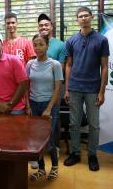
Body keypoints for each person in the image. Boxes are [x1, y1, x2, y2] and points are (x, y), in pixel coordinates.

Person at [64, 6, 110, 171]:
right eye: (80, 16)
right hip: (75, 88)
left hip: (93, 89)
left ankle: (92, 155)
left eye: (86, 15)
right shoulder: (71, 40)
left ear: (91, 17)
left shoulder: (101, 40)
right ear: (77, 20)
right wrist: (67, 89)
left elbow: (104, 67)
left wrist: (102, 91)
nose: (83, 18)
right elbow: (68, 65)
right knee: (74, 123)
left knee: (94, 125)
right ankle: (75, 153)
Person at [27, 34, 63, 181]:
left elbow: (58, 88)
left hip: (49, 104)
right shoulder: (30, 64)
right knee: (36, 140)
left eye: (41, 44)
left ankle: (54, 167)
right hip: (33, 104)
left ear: (47, 46)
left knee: (49, 140)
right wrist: (28, 105)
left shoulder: (55, 64)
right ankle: (41, 169)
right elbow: (25, 86)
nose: (38, 48)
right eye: (35, 45)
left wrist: (49, 108)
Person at [37, 13, 67, 168]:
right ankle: (40, 151)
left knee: (54, 121)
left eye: (46, 25)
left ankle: (54, 148)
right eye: (41, 25)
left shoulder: (61, 45)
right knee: (38, 124)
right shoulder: (37, 42)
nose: (43, 27)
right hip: (38, 90)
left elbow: (60, 69)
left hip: (55, 88)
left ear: (51, 26)